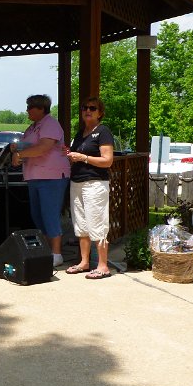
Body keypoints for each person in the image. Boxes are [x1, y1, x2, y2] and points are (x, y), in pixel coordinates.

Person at [10, 94, 71, 267]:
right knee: (37, 215)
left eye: (30, 107)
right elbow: (30, 145)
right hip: (34, 176)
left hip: (51, 176)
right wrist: (17, 147)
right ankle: (46, 250)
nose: (27, 110)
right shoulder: (33, 127)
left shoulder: (50, 123)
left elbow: (44, 147)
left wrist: (20, 154)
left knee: (49, 214)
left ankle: (57, 254)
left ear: (41, 109)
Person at [65, 96, 115, 279]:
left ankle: (103, 266)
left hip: (94, 183)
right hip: (77, 182)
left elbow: (107, 161)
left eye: (92, 108)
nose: (87, 110)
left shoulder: (103, 132)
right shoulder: (80, 133)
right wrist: (72, 156)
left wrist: (84, 158)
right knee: (81, 224)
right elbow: (76, 155)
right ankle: (84, 262)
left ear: (100, 113)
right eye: (85, 108)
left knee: (97, 223)